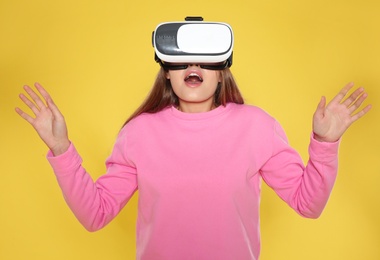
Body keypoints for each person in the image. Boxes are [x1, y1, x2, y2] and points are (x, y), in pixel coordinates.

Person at [15, 18, 371, 260]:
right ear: (166, 72)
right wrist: (61, 149)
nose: (193, 67)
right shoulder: (139, 133)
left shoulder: (257, 126)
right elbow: (96, 214)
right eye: (181, 61)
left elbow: (308, 204)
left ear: (222, 71)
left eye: (205, 60)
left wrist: (325, 144)